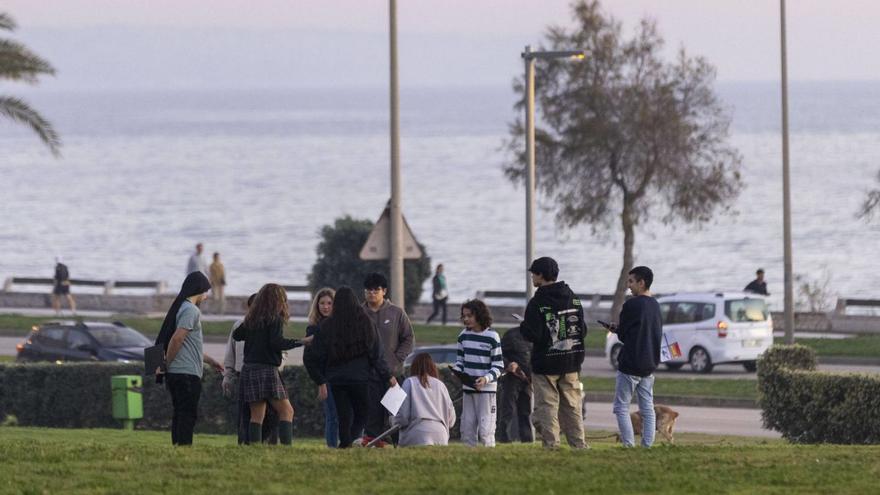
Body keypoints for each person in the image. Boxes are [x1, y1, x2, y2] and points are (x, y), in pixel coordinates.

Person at [304, 287, 396, 449]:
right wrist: (387, 375)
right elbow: (375, 353)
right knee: (362, 413)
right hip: (360, 378)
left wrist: (319, 378)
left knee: (343, 414)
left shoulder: (327, 326)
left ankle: (346, 443)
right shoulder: (366, 323)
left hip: (337, 379)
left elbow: (312, 356)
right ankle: (351, 441)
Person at [520, 256, 587, 450]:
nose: (532, 277)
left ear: (541, 275)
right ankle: (578, 444)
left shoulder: (537, 302)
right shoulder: (572, 296)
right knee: (573, 405)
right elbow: (582, 329)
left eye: (533, 273)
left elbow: (533, 334)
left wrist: (524, 326)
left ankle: (551, 445)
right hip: (571, 360)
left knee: (547, 406)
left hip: (545, 364)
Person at [232, 283, 308, 446]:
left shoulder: (252, 319)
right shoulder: (275, 318)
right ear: (278, 301)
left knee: (257, 415)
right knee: (287, 411)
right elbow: (276, 343)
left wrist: (249, 320)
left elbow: (237, 335)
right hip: (266, 369)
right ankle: (286, 448)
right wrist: (301, 341)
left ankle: (254, 448)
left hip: (249, 369)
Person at [155, 271, 224, 446]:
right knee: (187, 414)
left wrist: (211, 361)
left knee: (180, 413)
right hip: (185, 373)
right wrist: (167, 363)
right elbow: (177, 339)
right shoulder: (191, 310)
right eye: (206, 292)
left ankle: (178, 447)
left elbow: (190, 346)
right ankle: (184, 448)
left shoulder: (180, 307)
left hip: (179, 372)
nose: (206, 297)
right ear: (199, 290)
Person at [610, 266, 663, 448]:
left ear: (642, 283)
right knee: (648, 409)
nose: (629, 286)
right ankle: (647, 446)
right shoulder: (655, 305)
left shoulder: (631, 305)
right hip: (649, 365)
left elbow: (624, 334)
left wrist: (616, 330)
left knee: (621, 407)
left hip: (630, 364)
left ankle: (629, 444)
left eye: (631, 282)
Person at [362, 272, 414, 445]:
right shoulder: (359, 314)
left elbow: (408, 338)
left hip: (394, 376)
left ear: (384, 291)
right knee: (372, 418)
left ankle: (399, 448)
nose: (372, 293)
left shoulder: (397, 313)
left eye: (376, 289)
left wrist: (396, 359)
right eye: (368, 290)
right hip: (369, 377)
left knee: (396, 417)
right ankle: (374, 448)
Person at [221, 294, 279, 445]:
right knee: (245, 415)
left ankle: (268, 444)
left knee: (270, 415)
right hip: (244, 375)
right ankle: (245, 444)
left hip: (267, 375)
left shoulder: (271, 325)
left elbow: (280, 351)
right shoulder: (240, 326)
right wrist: (228, 376)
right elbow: (230, 354)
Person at [452, 299, 503, 447]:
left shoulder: (492, 337)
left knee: (486, 429)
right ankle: (469, 459)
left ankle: (490, 459)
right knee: (467, 428)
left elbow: (498, 366)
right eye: (464, 316)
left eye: (469, 315)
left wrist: (485, 379)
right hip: (468, 389)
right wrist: (457, 371)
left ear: (479, 315)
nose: (466, 319)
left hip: (486, 391)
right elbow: (460, 361)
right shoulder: (463, 336)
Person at [394, 353, 456, 447]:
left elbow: (403, 417)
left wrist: (392, 420)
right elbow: (451, 420)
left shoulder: (409, 382)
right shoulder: (441, 385)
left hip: (416, 434)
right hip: (440, 436)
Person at [303, 287, 339, 448]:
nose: (325, 307)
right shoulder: (312, 329)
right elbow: (309, 360)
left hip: (346, 377)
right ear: (316, 305)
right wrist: (321, 382)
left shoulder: (344, 327)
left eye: (329, 303)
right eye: (322, 303)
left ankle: (352, 447)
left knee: (350, 415)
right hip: (327, 379)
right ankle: (332, 448)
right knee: (333, 416)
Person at [497, 326, 534, 443]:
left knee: (525, 411)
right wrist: (508, 364)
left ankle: (527, 440)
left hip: (528, 380)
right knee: (508, 410)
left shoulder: (537, 334)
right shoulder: (511, 335)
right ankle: (504, 439)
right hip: (512, 378)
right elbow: (498, 354)